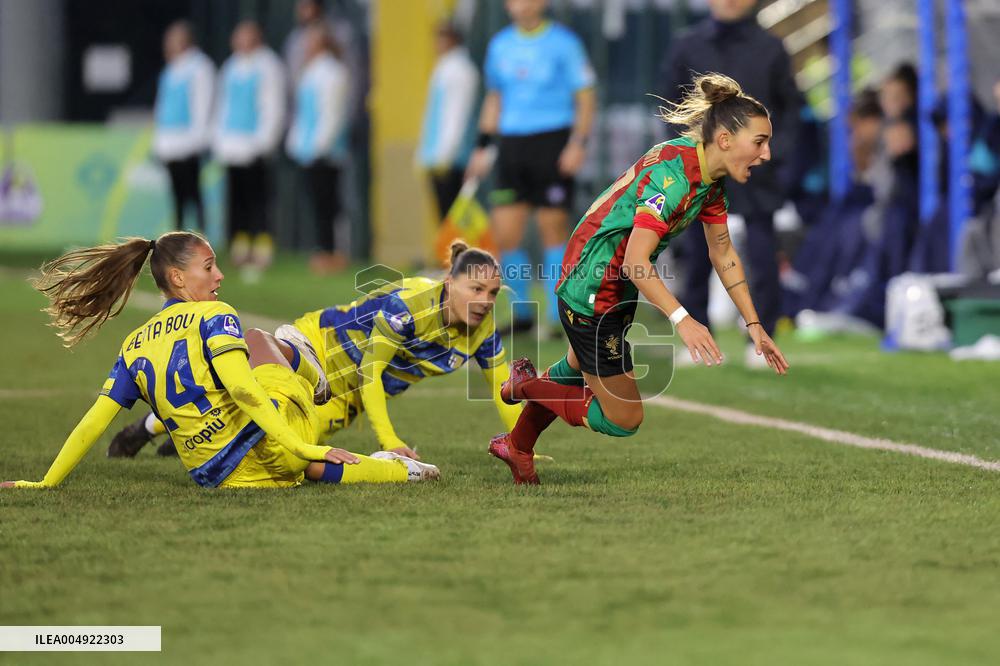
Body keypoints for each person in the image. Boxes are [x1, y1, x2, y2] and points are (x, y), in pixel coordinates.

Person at [488, 73, 790, 485]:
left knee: (573, 370)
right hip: (593, 287)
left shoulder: (708, 180)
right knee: (624, 418)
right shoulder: (674, 176)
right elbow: (635, 260)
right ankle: (524, 386)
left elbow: (723, 253)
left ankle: (516, 446)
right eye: (759, 142)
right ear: (724, 140)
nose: (766, 154)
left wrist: (753, 325)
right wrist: (683, 318)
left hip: (610, 286)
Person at [2, 232, 438, 489]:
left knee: (299, 459)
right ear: (178, 278)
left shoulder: (133, 345)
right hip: (277, 447)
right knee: (263, 338)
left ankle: (395, 468)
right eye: (209, 267)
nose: (219, 276)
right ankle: (312, 374)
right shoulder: (215, 314)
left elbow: (93, 423)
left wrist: (44, 483)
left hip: (218, 477)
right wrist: (303, 446)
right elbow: (244, 389)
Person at [109, 241, 523, 462]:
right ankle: (145, 429)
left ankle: (188, 440)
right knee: (249, 396)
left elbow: (502, 387)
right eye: (475, 289)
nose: (486, 300)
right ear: (449, 282)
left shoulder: (481, 325)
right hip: (318, 349)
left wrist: (521, 442)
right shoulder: (409, 306)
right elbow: (372, 373)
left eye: (491, 292)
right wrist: (389, 439)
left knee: (286, 444)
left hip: (349, 398)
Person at [659, 0, 802, 368]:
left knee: (762, 253)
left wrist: (771, 155)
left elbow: (790, 112)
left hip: (757, 171)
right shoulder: (686, 45)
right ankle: (699, 340)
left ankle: (763, 340)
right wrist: (688, 161)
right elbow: (670, 110)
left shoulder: (771, 48)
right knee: (696, 253)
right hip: (702, 169)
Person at [465, 0, 596, 335]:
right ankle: (522, 314)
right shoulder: (500, 45)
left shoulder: (564, 43)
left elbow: (585, 97)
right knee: (506, 232)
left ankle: (556, 317)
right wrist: (482, 147)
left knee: (552, 228)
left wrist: (577, 143)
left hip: (552, 142)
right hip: (511, 146)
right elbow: (495, 97)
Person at [213, 21, 285, 273]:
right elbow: (223, 105)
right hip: (232, 144)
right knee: (238, 199)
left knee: (259, 199)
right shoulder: (231, 66)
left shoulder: (268, 64)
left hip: (255, 144)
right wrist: (219, 139)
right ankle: (240, 245)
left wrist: (265, 140)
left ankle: (262, 245)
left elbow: (272, 104)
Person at [285, 22, 352, 274]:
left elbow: (332, 115)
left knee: (330, 203)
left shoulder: (333, 72)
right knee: (317, 203)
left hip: (327, 152)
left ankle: (335, 252)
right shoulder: (311, 72)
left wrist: (319, 146)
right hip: (309, 150)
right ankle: (323, 250)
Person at [153, 21, 214, 232]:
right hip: (170, 140)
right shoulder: (170, 70)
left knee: (193, 191)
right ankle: (178, 235)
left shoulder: (199, 66)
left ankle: (201, 235)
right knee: (176, 192)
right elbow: (162, 106)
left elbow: (202, 103)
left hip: (188, 140)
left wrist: (198, 136)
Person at [417, 21, 479, 222]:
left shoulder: (459, 70)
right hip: (440, 155)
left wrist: (446, 152)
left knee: (453, 216)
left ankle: (458, 254)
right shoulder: (444, 68)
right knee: (445, 216)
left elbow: (456, 115)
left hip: (452, 158)